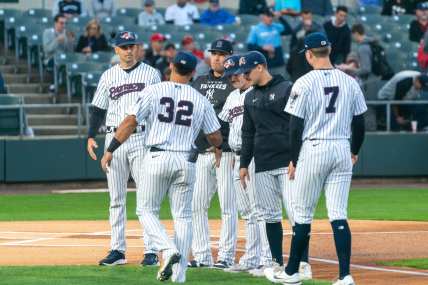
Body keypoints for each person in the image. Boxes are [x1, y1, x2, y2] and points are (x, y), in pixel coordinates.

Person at [100, 51, 223, 283]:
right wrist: (209, 144)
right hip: (186, 159)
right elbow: (215, 136)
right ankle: (180, 275)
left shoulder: (153, 90)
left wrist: (111, 148)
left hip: (157, 157)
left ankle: (166, 250)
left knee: (146, 210)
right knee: (184, 217)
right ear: (194, 72)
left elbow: (130, 122)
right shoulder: (200, 98)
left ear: (171, 66)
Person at [276, 32, 367, 285]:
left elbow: (295, 127)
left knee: (303, 213)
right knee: (338, 213)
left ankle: (292, 272)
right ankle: (345, 275)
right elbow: (359, 124)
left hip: (313, 148)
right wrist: (354, 150)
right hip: (341, 147)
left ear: (308, 54)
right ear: (329, 52)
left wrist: (293, 158)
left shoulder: (303, 83)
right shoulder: (350, 82)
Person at [87, 31, 161, 267]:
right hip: (113, 139)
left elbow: (159, 108)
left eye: (132, 46)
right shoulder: (108, 76)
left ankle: (150, 250)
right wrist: (90, 135)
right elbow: (98, 109)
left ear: (138, 48)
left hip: (141, 138)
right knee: (116, 198)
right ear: (116, 50)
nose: (129, 50)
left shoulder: (151, 74)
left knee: (146, 197)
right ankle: (117, 250)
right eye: (124, 46)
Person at [237, 51, 312, 282]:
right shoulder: (249, 97)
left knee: (296, 213)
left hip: (287, 162)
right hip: (263, 162)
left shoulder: (286, 89)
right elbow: (247, 132)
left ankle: (302, 263)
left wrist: (296, 158)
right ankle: (277, 262)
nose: (244, 76)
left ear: (260, 67)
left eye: (247, 71)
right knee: (269, 215)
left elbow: (299, 125)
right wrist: (243, 164)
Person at [217, 55, 272, 274]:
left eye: (237, 73)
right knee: (247, 212)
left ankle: (267, 260)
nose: (234, 78)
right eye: (230, 76)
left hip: (256, 156)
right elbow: (223, 125)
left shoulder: (256, 94)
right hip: (237, 157)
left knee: (261, 211)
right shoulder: (232, 97)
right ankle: (251, 258)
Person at [189, 39, 237, 269]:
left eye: (222, 54)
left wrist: (222, 144)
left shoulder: (235, 81)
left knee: (228, 206)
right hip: (201, 153)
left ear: (230, 57)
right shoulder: (198, 82)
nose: (217, 58)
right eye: (214, 53)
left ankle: (226, 256)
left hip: (225, 153)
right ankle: (202, 256)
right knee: (197, 206)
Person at [247, 8, 285, 75]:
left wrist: (280, 17)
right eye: (268, 16)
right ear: (262, 16)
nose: (270, 18)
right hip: (265, 64)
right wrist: (263, 47)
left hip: (279, 62)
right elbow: (249, 46)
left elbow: (289, 30)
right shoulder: (256, 29)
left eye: (271, 16)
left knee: (282, 83)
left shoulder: (276, 26)